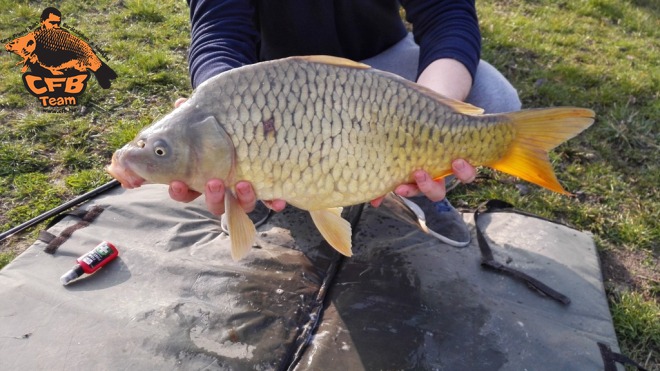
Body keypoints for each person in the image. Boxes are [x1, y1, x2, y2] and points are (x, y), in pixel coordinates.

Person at [169, 0, 522, 244]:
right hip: (275, 84)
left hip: (381, 70)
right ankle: (253, 182)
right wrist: (222, 115)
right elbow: (219, 32)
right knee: (229, 142)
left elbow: (448, 14)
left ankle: (420, 179)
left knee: (493, 100)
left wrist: (429, 112)